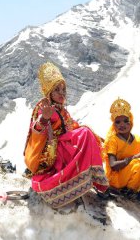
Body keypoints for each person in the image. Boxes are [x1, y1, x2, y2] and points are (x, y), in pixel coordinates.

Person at [23, 62, 108, 208]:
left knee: (87, 132)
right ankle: (91, 179)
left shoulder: (63, 110)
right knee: (85, 134)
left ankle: (87, 179)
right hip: (51, 153)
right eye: (57, 89)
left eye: (63, 89)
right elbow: (36, 129)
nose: (62, 93)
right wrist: (44, 118)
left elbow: (71, 126)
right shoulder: (44, 106)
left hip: (62, 148)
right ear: (49, 91)